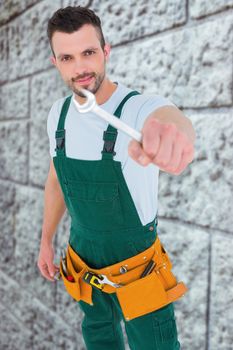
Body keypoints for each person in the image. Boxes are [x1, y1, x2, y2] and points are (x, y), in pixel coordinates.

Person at [37, 6, 195, 350]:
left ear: (106, 51)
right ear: (55, 62)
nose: (80, 68)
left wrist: (175, 133)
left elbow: (169, 118)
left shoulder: (136, 110)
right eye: (67, 57)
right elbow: (56, 181)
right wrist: (46, 239)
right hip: (83, 263)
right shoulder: (57, 116)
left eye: (89, 53)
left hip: (138, 271)